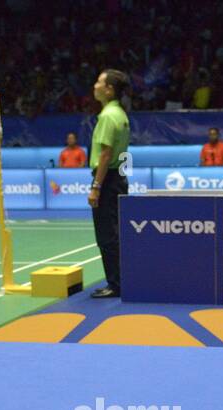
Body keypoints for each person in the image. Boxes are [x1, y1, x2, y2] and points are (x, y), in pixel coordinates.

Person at [87, 69, 131, 298]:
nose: (94, 85)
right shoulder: (121, 114)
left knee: (106, 235)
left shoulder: (107, 116)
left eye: (99, 82)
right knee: (116, 232)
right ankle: (122, 280)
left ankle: (115, 284)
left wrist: (96, 186)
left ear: (109, 89)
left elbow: (105, 154)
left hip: (107, 179)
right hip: (119, 178)